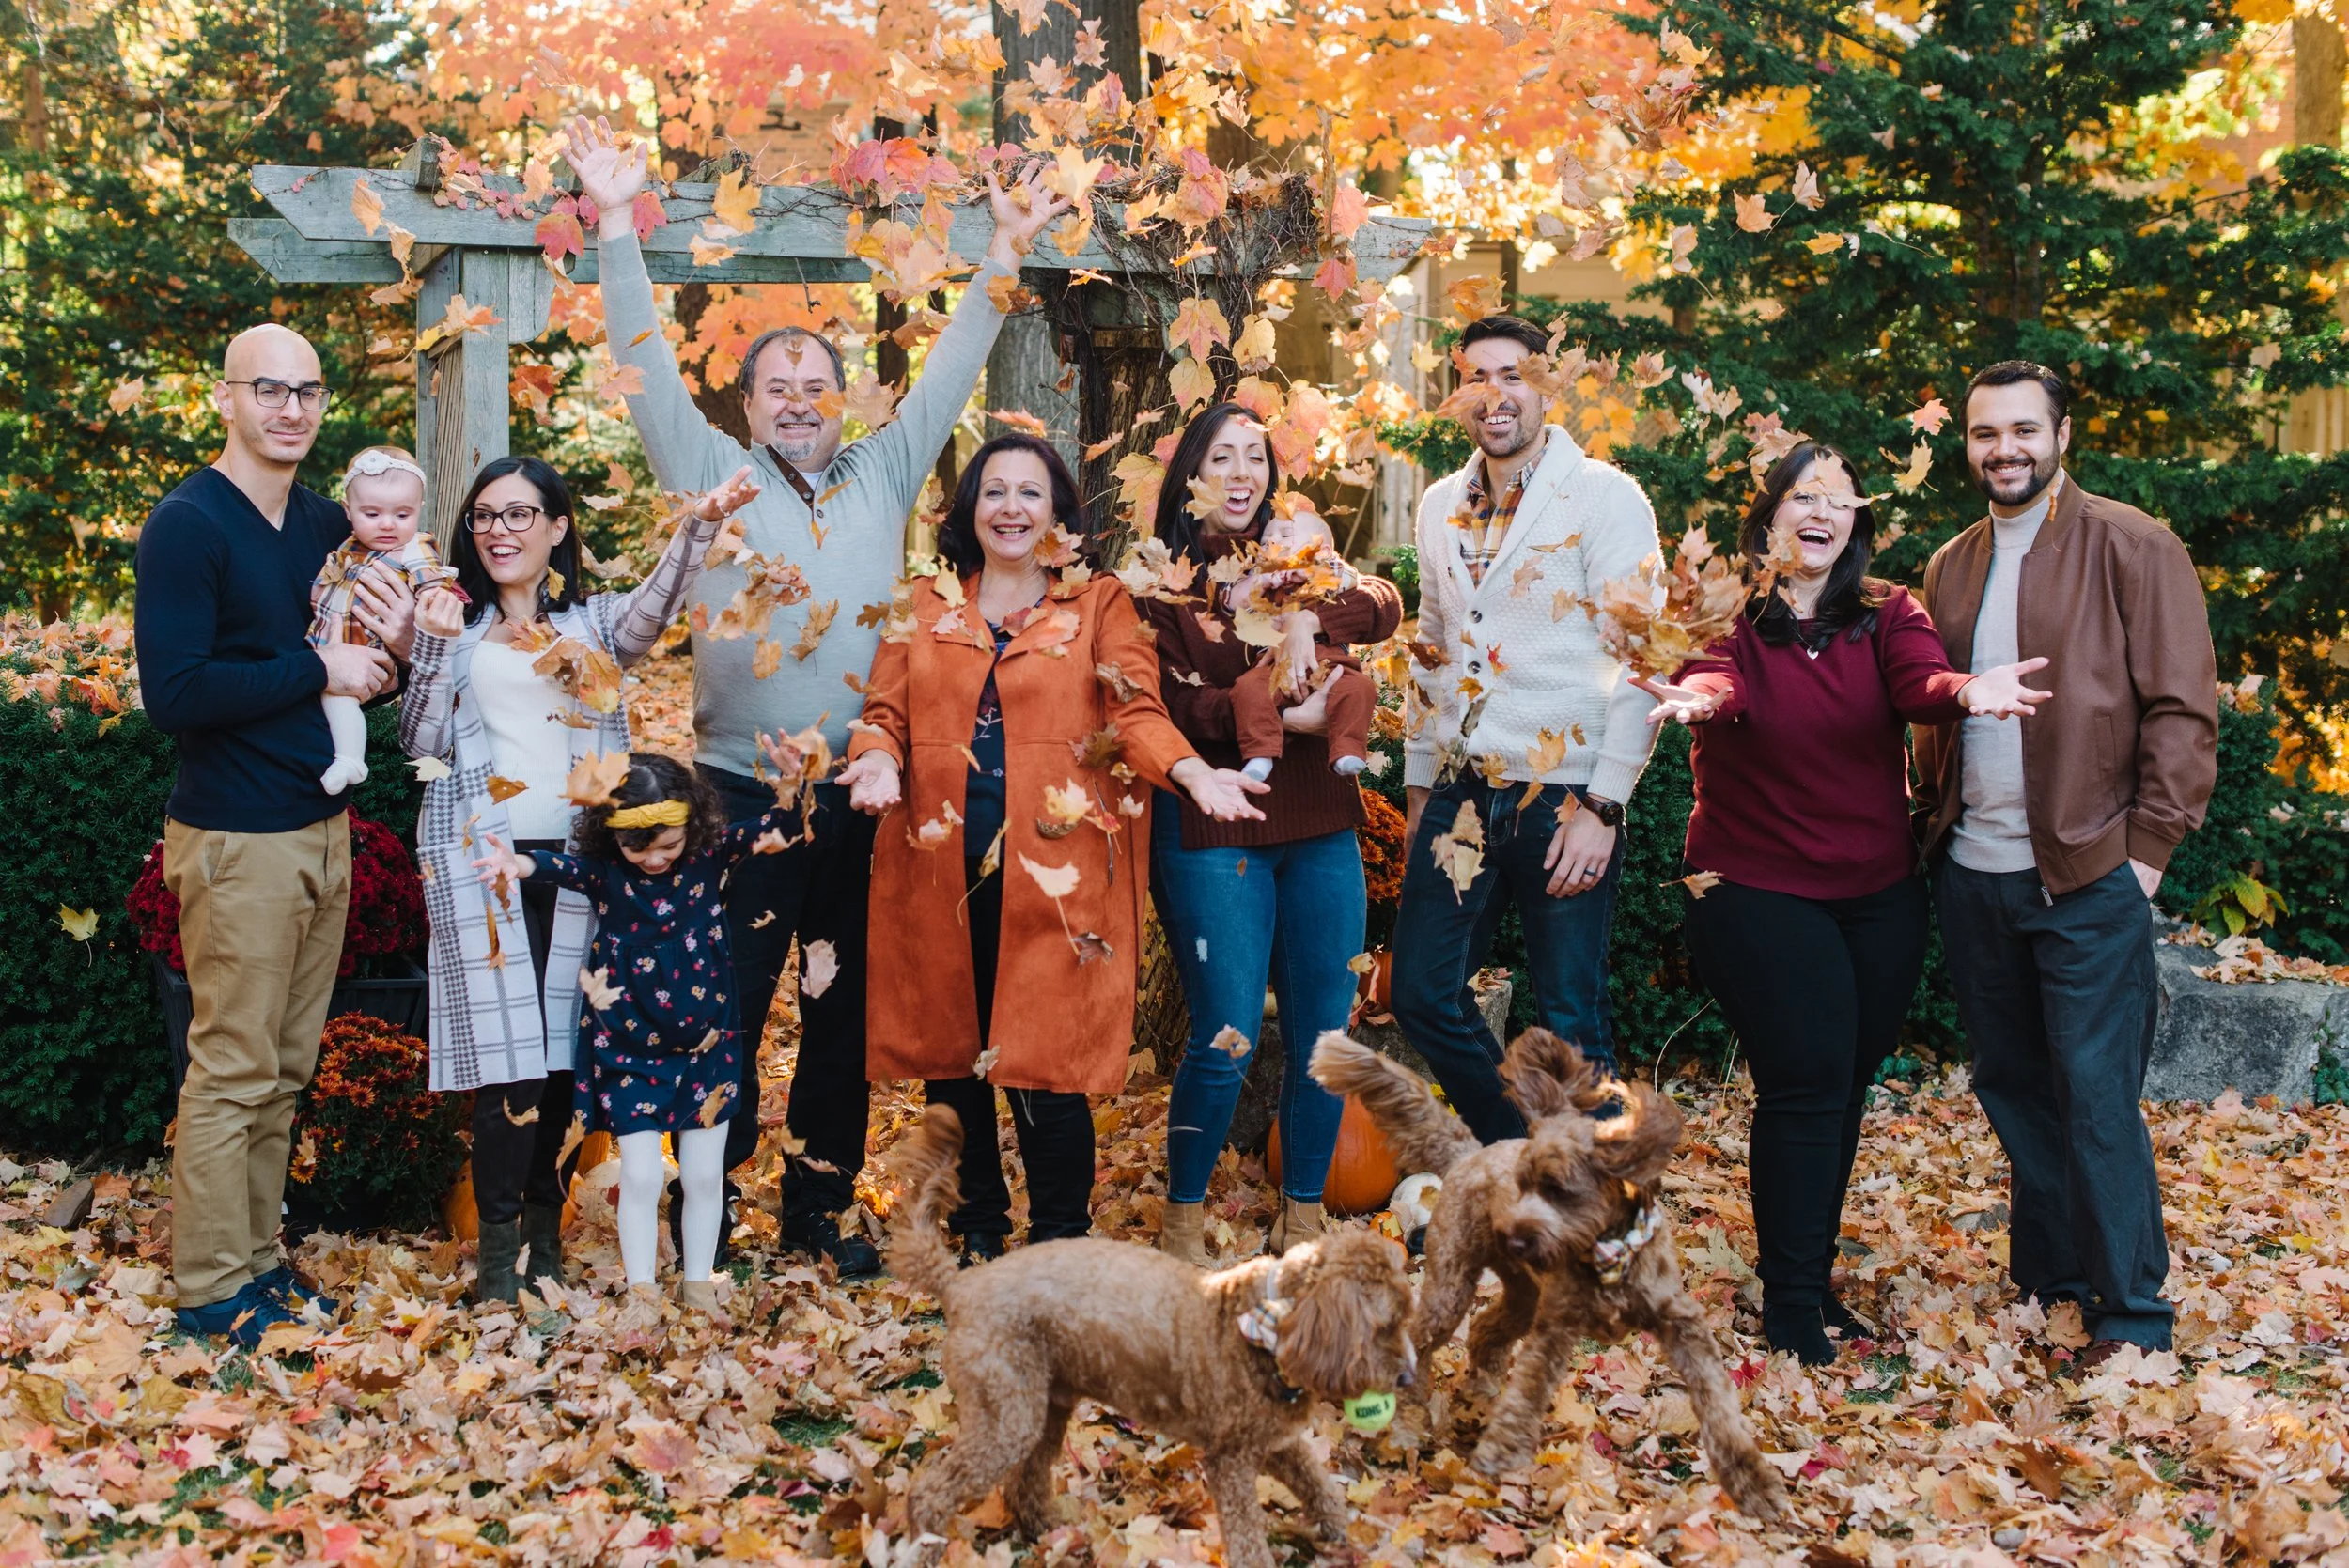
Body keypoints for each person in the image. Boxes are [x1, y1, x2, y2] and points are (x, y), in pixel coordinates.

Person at [566, 115, 1073, 1274]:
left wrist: (1003, 253)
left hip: (861, 794)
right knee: (730, 1007)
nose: (797, 401)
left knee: (841, 1010)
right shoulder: (711, 471)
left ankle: (818, 1210)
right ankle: (711, 1215)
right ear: (747, 407)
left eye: (815, 385)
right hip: (738, 800)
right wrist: (614, 220)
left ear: (843, 401)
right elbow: (643, 364)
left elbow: (952, 367)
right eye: (777, 387)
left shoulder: (885, 469)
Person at [1639, 443, 2051, 1364]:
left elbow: (1919, 684)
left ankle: (1810, 1277)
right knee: (1806, 1084)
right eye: (1800, 495)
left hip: (1876, 898)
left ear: (1857, 519)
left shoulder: (1888, 612)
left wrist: (1967, 691)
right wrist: (1699, 699)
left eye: (1837, 497)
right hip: (1753, 889)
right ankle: (1790, 1302)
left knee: (1840, 1087)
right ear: (1769, 517)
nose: (1818, 510)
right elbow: (1718, 680)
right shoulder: (1729, 612)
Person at [837, 435, 1267, 1258]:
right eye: (994, 490)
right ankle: (978, 1228)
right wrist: (879, 759)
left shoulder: (1099, 603)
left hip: (1056, 870)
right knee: (951, 1057)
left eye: (1030, 493)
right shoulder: (923, 602)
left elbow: (1135, 712)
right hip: (939, 862)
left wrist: (1188, 771)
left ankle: (1061, 1241)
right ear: (970, 507)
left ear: (1058, 513)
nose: (1011, 508)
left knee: (1046, 1063)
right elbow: (884, 713)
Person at [1913, 361, 2218, 1362]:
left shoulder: (2132, 543)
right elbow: (1934, 704)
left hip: (2090, 873)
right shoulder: (1951, 564)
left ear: (2061, 436)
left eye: (2022, 430)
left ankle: (2131, 1316)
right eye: (1984, 433)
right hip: (1976, 870)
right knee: (2012, 1084)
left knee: (2094, 1094)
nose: (2003, 449)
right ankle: (2054, 1280)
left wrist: (2146, 854)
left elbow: (2181, 706)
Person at [401, 456, 760, 1304]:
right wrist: (434, 647)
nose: (498, 530)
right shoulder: (456, 628)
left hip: (580, 868)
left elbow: (656, 607)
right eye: (484, 515)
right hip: (484, 865)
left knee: (563, 1060)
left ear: (558, 526)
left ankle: (545, 1239)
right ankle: (499, 1264)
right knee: (508, 1068)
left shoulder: (592, 627)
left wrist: (700, 523)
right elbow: (421, 742)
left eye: (519, 514)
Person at [134, 323, 410, 1345]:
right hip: (237, 837)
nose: (290, 408)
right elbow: (175, 693)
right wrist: (317, 670)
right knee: (233, 1069)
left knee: (286, 1071)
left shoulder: (326, 524)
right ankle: (211, 1290)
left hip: (321, 826)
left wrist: (390, 653)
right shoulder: (187, 525)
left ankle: (255, 1263)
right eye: (269, 389)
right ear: (227, 398)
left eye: (307, 391)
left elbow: (363, 663)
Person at [1140, 404, 1403, 1263]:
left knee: (1325, 1033)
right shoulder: (1163, 581)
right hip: (1216, 826)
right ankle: (1183, 1221)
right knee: (1228, 1033)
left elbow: (1383, 602)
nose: (1242, 472)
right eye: (1223, 456)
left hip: (1319, 822)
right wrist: (1278, 719)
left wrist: (1309, 622)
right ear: (1192, 474)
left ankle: (1303, 1216)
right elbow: (1169, 705)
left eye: (1255, 456)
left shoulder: (1297, 553)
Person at [1392, 312, 1662, 1142]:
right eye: (1476, 376)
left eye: (1513, 374)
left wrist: (1604, 804)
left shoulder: (1606, 497)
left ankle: (1605, 1199)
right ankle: (1522, 1154)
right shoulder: (1439, 504)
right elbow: (1433, 645)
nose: (1495, 393)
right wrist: (1419, 787)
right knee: (1422, 993)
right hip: (1466, 792)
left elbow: (1644, 657)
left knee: (1572, 1019)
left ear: (1545, 385)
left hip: (1566, 794)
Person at [473, 748, 799, 1311]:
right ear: (612, 835)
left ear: (691, 825)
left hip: (706, 1047)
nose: (654, 859)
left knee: (703, 1176)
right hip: (628, 1051)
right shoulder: (608, 876)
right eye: (638, 847)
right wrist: (518, 864)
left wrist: (794, 784)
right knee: (642, 1176)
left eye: (668, 846)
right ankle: (642, 1291)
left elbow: (774, 827)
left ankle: (698, 1284)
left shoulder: (709, 858)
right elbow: (556, 868)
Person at [308, 447, 454, 793]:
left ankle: (350, 759)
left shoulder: (414, 547)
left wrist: (432, 600)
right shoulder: (350, 546)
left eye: (402, 514)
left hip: (370, 651)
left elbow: (432, 581)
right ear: (348, 510)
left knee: (338, 699)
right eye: (372, 513)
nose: (388, 524)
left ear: (419, 508)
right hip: (328, 644)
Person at [1226, 501, 1379, 784]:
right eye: (1265, 540)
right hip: (1272, 668)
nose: (1272, 542)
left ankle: (1348, 749)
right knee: (1247, 689)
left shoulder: (1328, 572)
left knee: (1360, 688)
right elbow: (1236, 606)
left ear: (1322, 550)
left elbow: (1351, 579)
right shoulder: (1258, 580)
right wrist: (1261, 586)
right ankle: (1260, 752)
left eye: (1286, 535)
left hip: (1331, 666)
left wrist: (1310, 572)